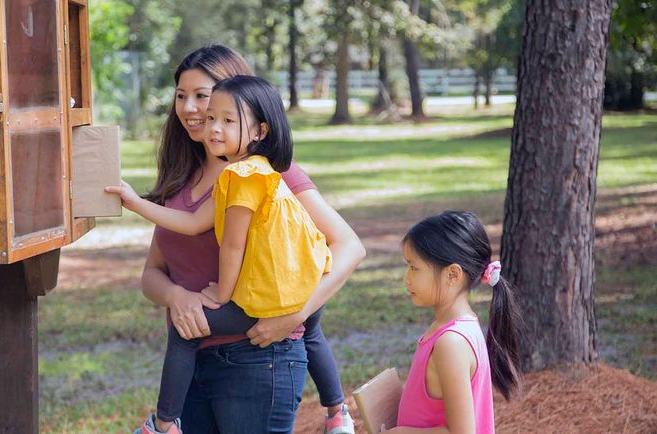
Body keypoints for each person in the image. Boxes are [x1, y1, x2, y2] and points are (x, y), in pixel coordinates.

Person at [121, 45, 365, 434]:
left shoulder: (266, 173)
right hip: (193, 367)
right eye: (181, 96)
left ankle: (336, 410)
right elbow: (153, 272)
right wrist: (175, 297)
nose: (189, 108)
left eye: (202, 96)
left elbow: (349, 246)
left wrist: (295, 314)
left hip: (257, 359)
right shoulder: (180, 179)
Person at [387, 211, 522, 434]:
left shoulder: (451, 343)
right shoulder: (452, 329)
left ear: (452, 275)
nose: (406, 278)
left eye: (414, 267)